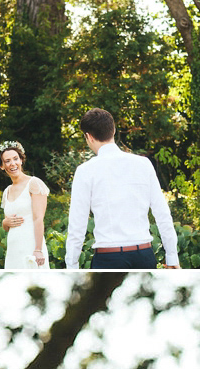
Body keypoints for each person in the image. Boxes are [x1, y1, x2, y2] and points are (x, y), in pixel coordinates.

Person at [64, 108, 180, 270]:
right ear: (113, 130)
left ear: (89, 137)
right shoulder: (143, 164)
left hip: (108, 258)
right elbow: (162, 214)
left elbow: (77, 225)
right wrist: (172, 257)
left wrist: (72, 265)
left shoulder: (85, 171)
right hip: (144, 255)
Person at [0, 140, 50, 269]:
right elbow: (9, 224)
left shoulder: (34, 183)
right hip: (13, 248)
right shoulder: (7, 191)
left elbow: (38, 218)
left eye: (15, 159)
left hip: (31, 245)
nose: (12, 163)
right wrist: (4, 223)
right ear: (2, 166)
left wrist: (38, 249)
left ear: (21, 160)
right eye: (7, 161)